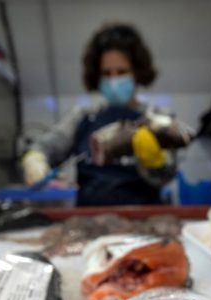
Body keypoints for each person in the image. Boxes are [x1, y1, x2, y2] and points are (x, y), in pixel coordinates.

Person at [21, 23, 189, 206]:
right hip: (89, 219)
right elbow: (45, 147)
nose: (114, 80)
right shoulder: (83, 118)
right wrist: (35, 160)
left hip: (144, 218)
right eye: (106, 73)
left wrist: (156, 163)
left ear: (137, 72)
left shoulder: (157, 119)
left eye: (121, 72)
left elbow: (167, 175)